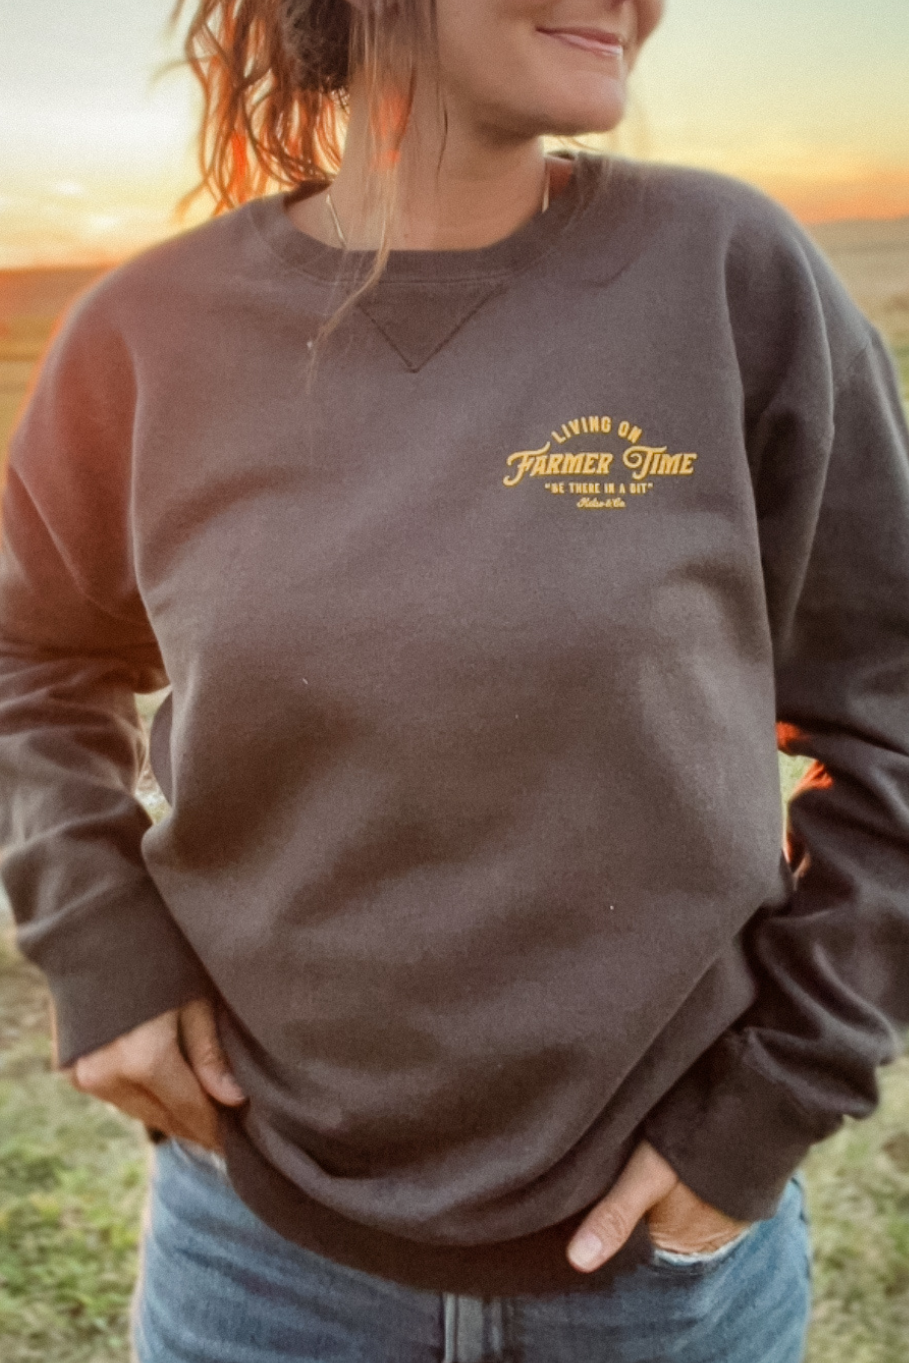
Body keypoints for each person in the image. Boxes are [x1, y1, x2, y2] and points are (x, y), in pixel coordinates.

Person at [1, 1, 907, 1359]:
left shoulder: (728, 275)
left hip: (658, 1283)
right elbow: (34, 648)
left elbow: (890, 698)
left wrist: (774, 1099)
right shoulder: (149, 330)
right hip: (259, 1259)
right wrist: (101, 943)